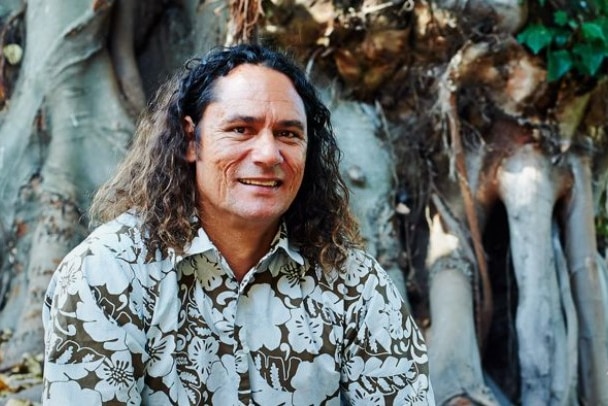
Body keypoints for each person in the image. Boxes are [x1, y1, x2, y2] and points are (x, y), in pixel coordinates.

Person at [42, 43, 434, 405]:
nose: (268, 154)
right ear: (191, 140)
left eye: (288, 134)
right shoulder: (108, 273)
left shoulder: (354, 283)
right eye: (240, 130)